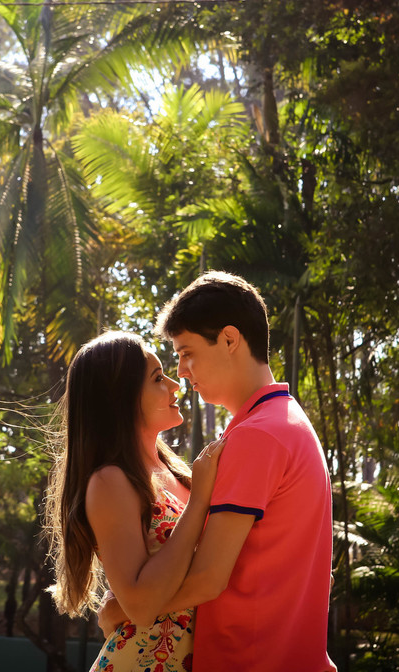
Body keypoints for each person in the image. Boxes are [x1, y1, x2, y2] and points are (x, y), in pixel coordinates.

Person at [100, 271, 337, 671]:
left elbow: (208, 577)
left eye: (187, 352)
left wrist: (124, 609)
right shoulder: (287, 421)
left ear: (229, 340)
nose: (182, 371)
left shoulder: (258, 435)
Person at [46, 330, 224, 672]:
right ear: (121, 398)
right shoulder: (110, 481)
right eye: (157, 378)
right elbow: (142, 605)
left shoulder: (175, 472)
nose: (174, 384)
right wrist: (200, 500)